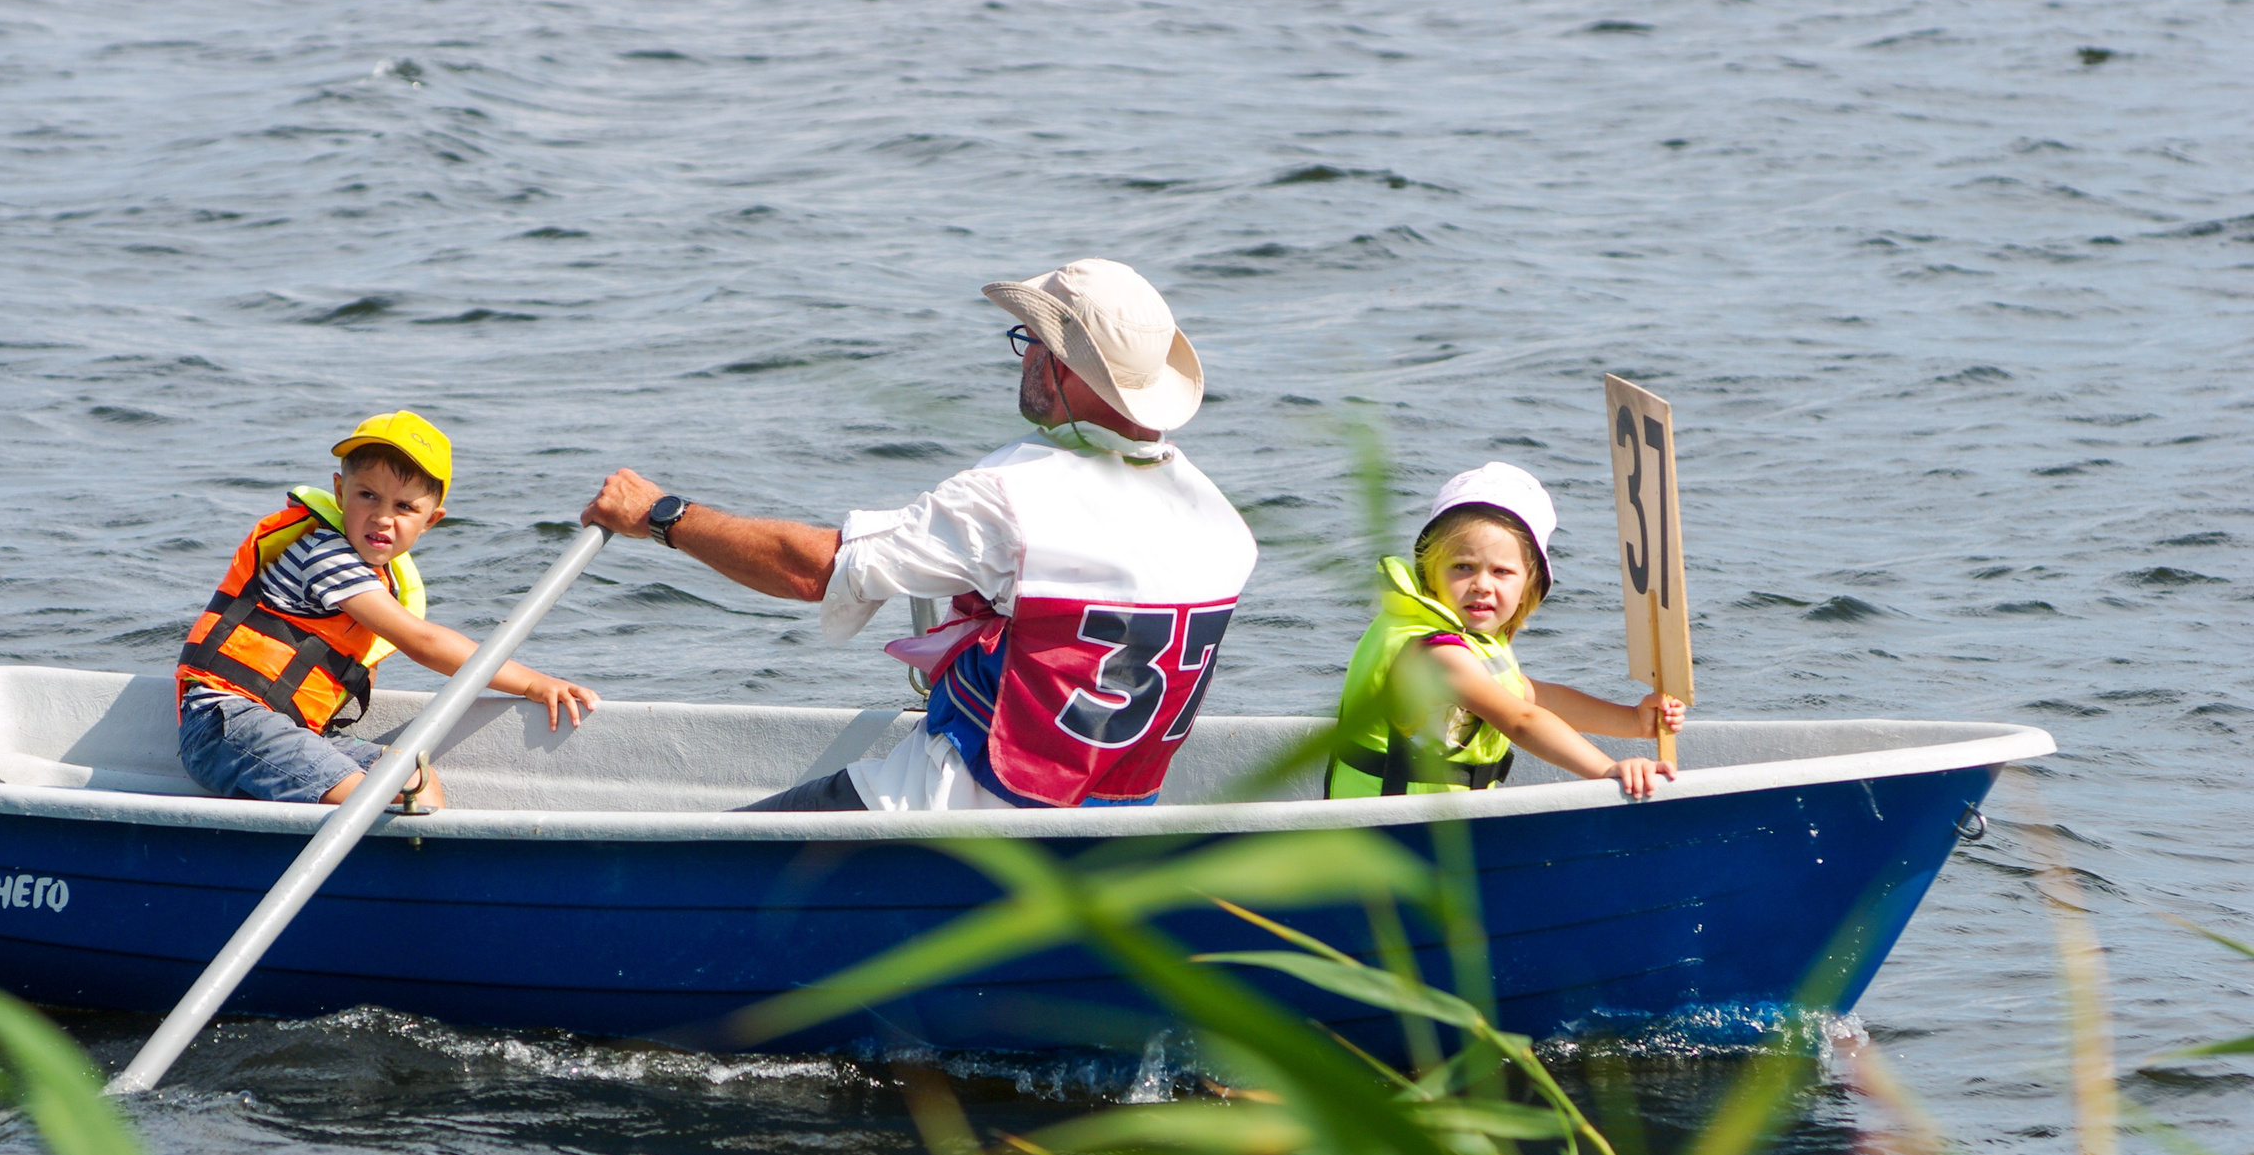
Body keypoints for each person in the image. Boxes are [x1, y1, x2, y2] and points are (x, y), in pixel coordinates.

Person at [580, 259, 1258, 811]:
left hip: (950, 813)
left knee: (707, 862)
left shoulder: (1011, 497)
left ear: (1069, 368)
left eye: (1030, 340)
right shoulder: (1223, 526)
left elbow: (814, 570)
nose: (1022, 357)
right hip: (1109, 822)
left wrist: (662, 514)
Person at [175, 412, 598, 807]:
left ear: (431, 520)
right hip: (227, 723)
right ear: (340, 492)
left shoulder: (374, 576)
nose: (382, 517)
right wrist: (532, 682)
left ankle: (408, 861)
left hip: (290, 729)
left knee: (416, 782)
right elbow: (423, 642)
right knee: (380, 798)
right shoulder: (327, 556)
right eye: (368, 496)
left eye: (404, 506)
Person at [1326, 462, 1684, 800]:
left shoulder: (1473, 644)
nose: (1481, 585)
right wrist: (1607, 769)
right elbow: (1521, 719)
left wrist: (1633, 720)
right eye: (1462, 567)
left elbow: (1535, 698)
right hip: (1389, 829)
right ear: (1430, 573)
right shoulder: (1438, 655)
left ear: (1528, 586)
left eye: (1501, 572)